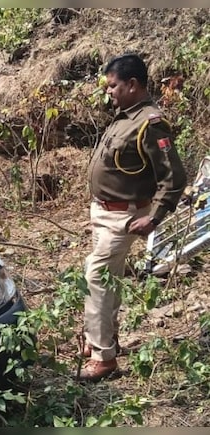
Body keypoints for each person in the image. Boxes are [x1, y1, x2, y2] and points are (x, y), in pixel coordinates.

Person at [80, 53, 187, 381]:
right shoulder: (125, 116)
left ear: (132, 84)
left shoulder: (151, 123)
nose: (109, 91)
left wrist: (153, 219)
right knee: (108, 277)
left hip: (123, 217)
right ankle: (104, 337)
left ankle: (103, 358)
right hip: (103, 212)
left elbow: (175, 178)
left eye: (113, 86)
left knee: (96, 276)